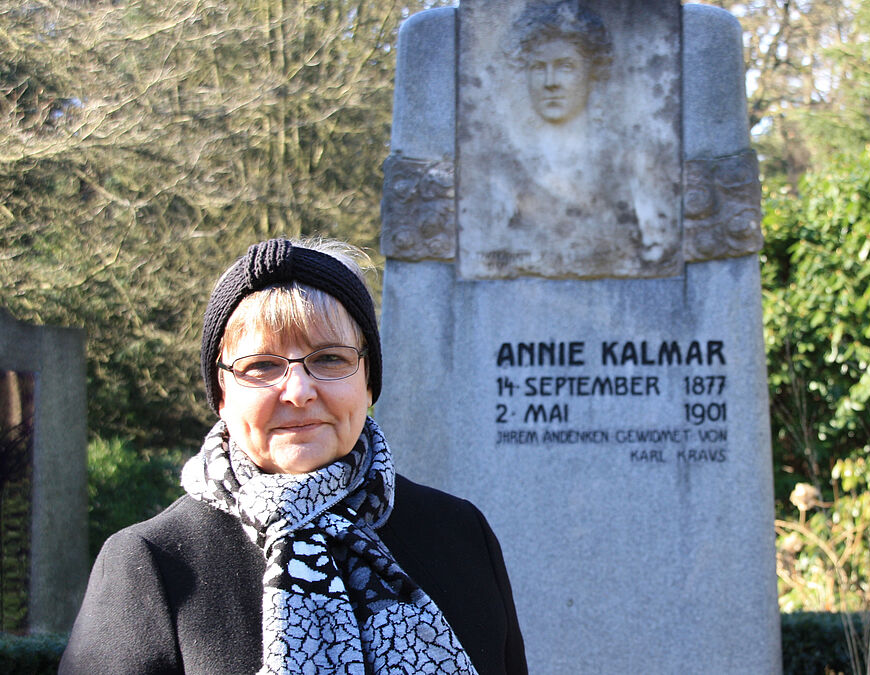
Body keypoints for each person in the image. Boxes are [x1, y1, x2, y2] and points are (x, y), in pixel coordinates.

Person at [60, 238, 527, 674]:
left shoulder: (461, 534)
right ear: (221, 393)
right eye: (261, 365)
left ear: (368, 382)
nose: (299, 391)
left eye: (329, 359)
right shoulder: (149, 564)